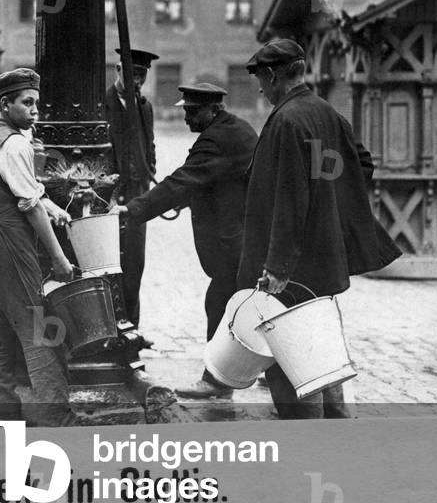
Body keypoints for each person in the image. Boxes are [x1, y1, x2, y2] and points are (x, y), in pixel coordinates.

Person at [239, 39, 402, 419]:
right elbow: (362, 165)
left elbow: (290, 198)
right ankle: (336, 425)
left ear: (274, 75)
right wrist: (331, 208)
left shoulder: (286, 120)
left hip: (291, 267)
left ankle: (308, 441)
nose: (260, 89)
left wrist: (277, 267)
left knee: (291, 353)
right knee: (321, 348)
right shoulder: (328, 113)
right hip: (323, 260)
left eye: (261, 80)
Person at [115, 83, 258, 398]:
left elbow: (184, 179)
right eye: (185, 110)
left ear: (214, 110)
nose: (186, 118)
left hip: (235, 242)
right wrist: (186, 198)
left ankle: (217, 381)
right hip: (244, 237)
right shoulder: (233, 129)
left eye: (193, 112)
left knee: (222, 304)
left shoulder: (218, 139)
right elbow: (212, 180)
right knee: (244, 307)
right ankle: (241, 377)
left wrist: (132, 210)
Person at [0, 69, 77, 426]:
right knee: (39, 329)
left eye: (36, 103)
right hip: (8, 244)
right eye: (27, 103)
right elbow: (27, 204)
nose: (35, 111)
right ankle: (55, 416)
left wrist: (52, 207)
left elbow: (16, 189)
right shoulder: (15, 143)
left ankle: (0, 410)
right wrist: (59, 258)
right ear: (5, 103)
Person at [104, 48, 157, 328]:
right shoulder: (102, 103)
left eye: (142, 75)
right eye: (132, 74)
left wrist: (150, 172)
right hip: (109, 197)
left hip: (138, 195)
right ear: (117, 71)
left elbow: (150, 145)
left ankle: (131, 330)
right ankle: (110, 329)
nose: (137, 81)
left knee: (135, 264)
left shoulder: (145, 106)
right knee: (110, 265)